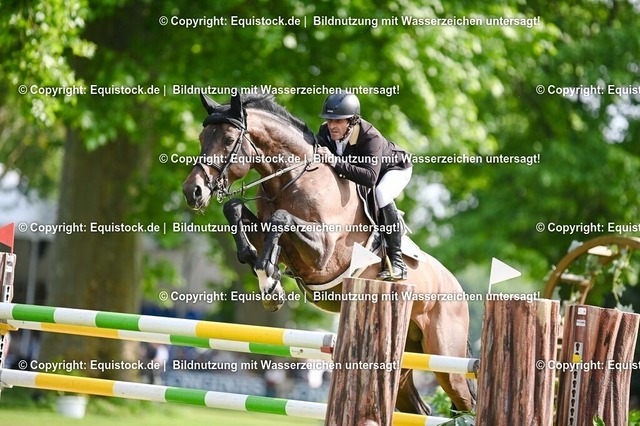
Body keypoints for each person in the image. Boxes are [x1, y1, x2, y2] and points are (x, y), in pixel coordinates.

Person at [316, 93, 413, 280]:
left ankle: (397, 262)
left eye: (338, 121)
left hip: (394, 169)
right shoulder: (325, 132)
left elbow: (369, 177)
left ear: (352, 121)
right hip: (363, 172)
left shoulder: (370, 136)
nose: (332, 126)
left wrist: (334, 161)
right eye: (329, 120)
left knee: (381, 193)